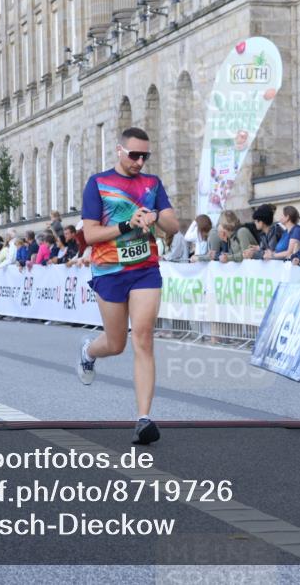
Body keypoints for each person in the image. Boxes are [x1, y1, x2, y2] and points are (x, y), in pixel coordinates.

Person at [79, 127, 179, 445]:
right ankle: (88, 351)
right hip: (109, 271)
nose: (139, 161)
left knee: (144, 338)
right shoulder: (98, 183)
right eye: (134, 155)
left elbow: (174, 226)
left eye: (144, 156)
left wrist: (154, 217)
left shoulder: (153, 184)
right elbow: (90, 235)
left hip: (145, 270)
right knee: (115, 343)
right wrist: (126, 224)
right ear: (119, 151)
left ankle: (144, 419)